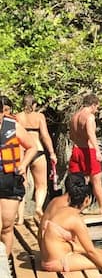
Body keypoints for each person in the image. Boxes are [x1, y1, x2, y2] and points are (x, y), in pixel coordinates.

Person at [38, 173, 102, 278]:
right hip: (56, 262)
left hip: (50, 258)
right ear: (86, 200)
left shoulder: (61, 210)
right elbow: (90, 251)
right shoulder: (75, 219)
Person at [69, 94, 102, 214]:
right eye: (97, 107)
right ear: (93, 105)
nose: (97, 110)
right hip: (88, 150)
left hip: (76, 149)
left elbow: (71, 136)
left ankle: (80, 206)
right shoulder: (89, 117)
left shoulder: (74, 116)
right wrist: (97, 150)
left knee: (79, 180)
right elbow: (91, 134)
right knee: (96, 180)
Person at [1, 95, 35, 256]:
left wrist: (23, 164)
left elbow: (31, 147)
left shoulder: (13, 126)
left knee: (7, 226)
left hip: (10, 179)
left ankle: (4, 264)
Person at [16, 95, 56, 223]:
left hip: (23, 152)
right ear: (34, 105)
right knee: (41, 185)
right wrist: (52, 153)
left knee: (21, 184)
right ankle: (38, 207)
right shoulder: (39, 117)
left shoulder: (18, 117)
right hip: (38, 150)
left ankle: (20, 217)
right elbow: (45, 135)